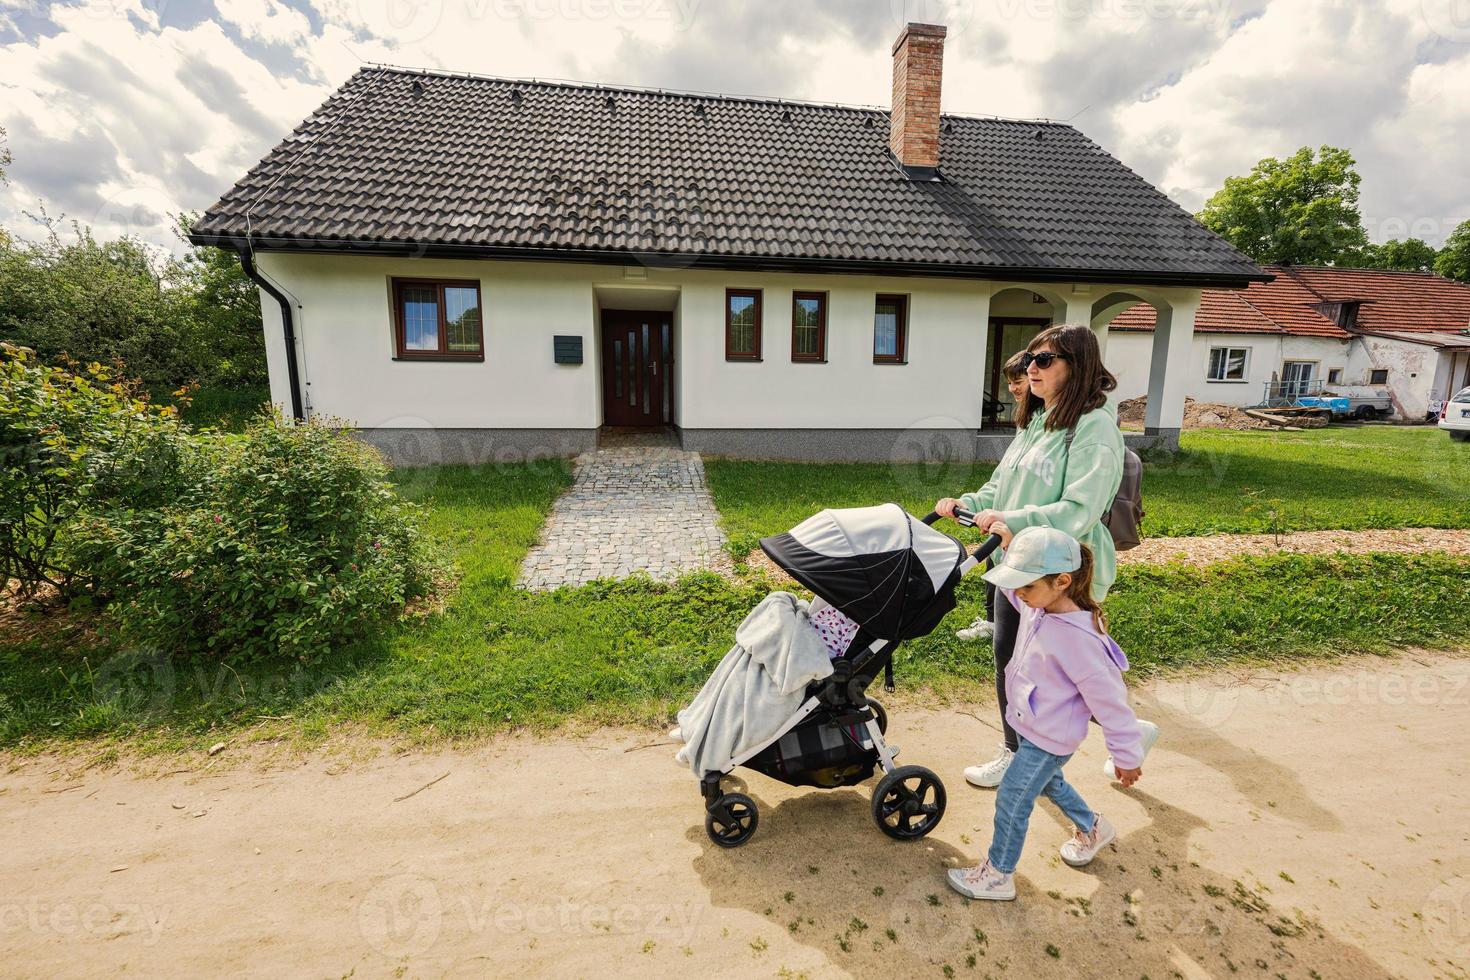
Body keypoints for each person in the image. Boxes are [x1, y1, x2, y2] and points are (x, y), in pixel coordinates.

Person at [934, 323, 1157, 788]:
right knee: (1012, 661)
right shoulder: (1040, 419)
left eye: (1044, 360)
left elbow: (1081, 509)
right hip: (1015, 564)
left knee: (1059, 670)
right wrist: (970, 504)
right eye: (1030, 359)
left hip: (1062, 574)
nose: (1031, 368)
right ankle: (1107, 735)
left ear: (1077, 367)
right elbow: (1003, 484)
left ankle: (1028, 754)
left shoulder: (1093, 427)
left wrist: (1013, 521)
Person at [945, 524, 1143, 902]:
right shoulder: (1041, 606)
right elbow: (1012, 590)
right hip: (1029, 725)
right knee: (1049, 783)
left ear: (1062, 581)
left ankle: (998, 875)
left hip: (1048, 737)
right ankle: (1093, 826)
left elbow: (1112, 704)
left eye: (1027, 586)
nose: (1018, 594)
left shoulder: (1079, 639)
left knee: (1012, 799)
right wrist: (1008, 545)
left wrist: (1127, 757)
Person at [956, 351, 1034, 643]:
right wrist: (970, 503)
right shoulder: (1026, 423)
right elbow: (1002, 480)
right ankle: (994, 622)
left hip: (1024, 527)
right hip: (1004, 524)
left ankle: (1014, 629)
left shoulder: (1052, 428)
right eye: (1011, 382)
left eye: (1019, 381)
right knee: (994, 568)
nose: (1014, 388)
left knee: (1016, 580)